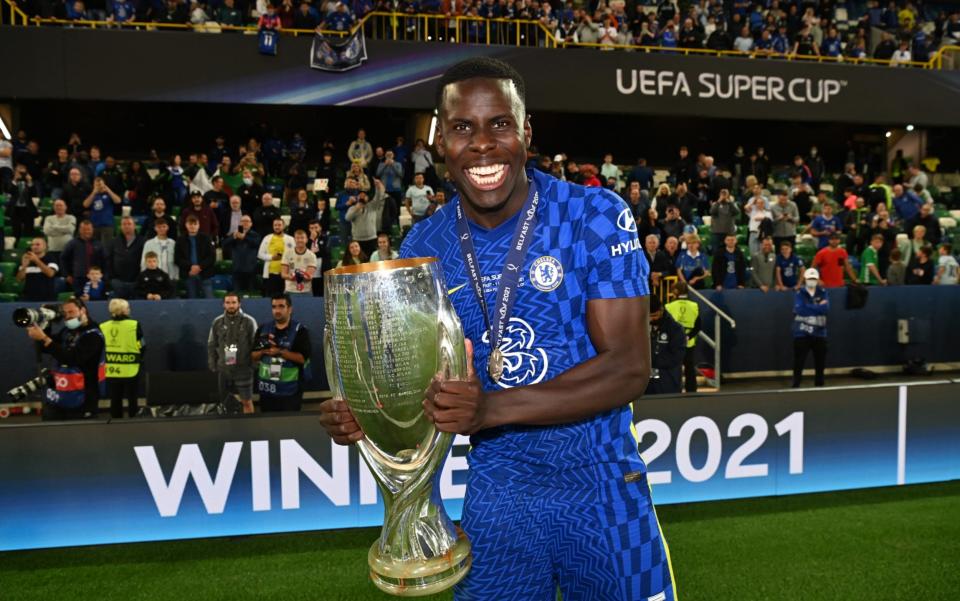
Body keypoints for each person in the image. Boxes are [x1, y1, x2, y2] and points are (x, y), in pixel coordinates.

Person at [320, 58, 675, 601]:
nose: (482, 144)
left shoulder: (594, 215)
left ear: (526, 132)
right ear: (440, 141)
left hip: (603, 492)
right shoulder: (424, 248)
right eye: (463, 128)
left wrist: (490, 409)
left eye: (500, 124)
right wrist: (370, 415)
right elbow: (421, 395)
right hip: (498, 501)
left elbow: (629, 367)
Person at [25, 297, 106, 420]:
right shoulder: (68, 331)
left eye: (71, 312)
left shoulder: (93, 335)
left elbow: (71, 358)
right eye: (64, 313)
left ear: (82, 310)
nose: (67, 316)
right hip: (60, 395)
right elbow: (47, 348)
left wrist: (44, 338)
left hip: (83, 399)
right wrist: (44, 326)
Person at [252, 294, 311, 412]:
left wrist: (279, 352)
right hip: (267, 391)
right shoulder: (263, 329)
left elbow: (302, 359)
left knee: (289, 426)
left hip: (289, 392)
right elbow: (253, 356)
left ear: (289, 309)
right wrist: (264, 351)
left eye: (281, 306)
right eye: (274, 307)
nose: (277, 310)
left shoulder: (300, 330)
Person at [208, 292, 259, 414]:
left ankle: (249, 428)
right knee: (224, 401)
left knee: (246, 401)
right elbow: (211, 344)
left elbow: (256, 345)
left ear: (239, 304)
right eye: (228, 302)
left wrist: (254, 366)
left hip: (244, 369)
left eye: (234, 302)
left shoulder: (249, 321)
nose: (231, 305)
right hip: (224, 369)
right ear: (223, 305)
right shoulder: (217, 322)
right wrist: (213, 364)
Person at [100, 298, 144, 419]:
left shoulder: (103, 326)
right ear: (124, 310)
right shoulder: (134, 324)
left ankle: (116, 423)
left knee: (115, 398)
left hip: (112, 369)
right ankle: (133, 421)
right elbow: (142, 344)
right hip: (131, 368)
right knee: (132, 398)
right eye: (128, 307)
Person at [792, 268, 829, 388]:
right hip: (802, 333)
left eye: (814, 279)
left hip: (819, 333)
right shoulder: (800, 293)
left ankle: (819, 384)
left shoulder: (823, 292)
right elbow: (799, 309)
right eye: (809, 279)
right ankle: (796, 383)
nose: (811, 281)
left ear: (817, 280)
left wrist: (809, 307)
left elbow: (826, 308)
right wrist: (817, 306)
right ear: (805, 280)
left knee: (820, 361)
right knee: (799, 361)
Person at [646, 294, 686, 396]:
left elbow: (677, 356)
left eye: (654, 315)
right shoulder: (641, 326)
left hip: (668, 382)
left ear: (661, 310)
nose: (651, 319)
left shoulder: (675, 329)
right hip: (646, 385)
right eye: (649, 316)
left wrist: (652, 361)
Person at [665, 281, 700, 393]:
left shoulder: (669, 306)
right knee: (689, 368)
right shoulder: (694, 306)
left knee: (675, 368)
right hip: (689, 341)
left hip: (674, 342)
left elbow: (667, 325)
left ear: (676, 291)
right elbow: (698, 325)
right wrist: (689, 336)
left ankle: (675, 389)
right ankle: (692, 391)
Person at [175, 215, 216, 298]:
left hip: (205, 274)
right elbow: (177, 259)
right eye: (190, 224)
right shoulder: (180, 240)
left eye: (195, 224)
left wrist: (199, 267)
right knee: (192, 301)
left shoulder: (206, 238)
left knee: (209, 300)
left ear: (198, 225)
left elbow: (212, 257)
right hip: (189, 275)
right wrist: (190, 267)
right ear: (186, 225)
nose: (192, 226)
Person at [107, 216, 145, 299]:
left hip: (136, 282)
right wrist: (112, 278)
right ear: (120, 226)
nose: (126, 226)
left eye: (129, 224)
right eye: (124, 224)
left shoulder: (143, 241)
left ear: (134, 225)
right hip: (118, 282)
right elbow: (109, 261)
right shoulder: (114, 241)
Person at [222, 214, 262, 293]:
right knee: (237, 293)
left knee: (251, 294)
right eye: (243, 221)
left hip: (251, 270)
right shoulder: (234, 235)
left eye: (247, 221)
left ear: (251, 224)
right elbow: (224, 244)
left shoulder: (255, 235)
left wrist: (244, 237)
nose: (245, 223)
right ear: (239, 223)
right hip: (237, 269)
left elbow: (257, 244)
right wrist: (233, 237)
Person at [347, 180, 387, 257]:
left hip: (371, 238)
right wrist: (356, 209)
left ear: (367, 197)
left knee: (373, 258)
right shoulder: (353, 208)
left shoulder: (372, 206)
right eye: (360, 195)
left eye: (364, 195)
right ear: (357, 197)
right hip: (358, 239)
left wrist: (378, 188)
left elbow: (378, 197)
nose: (362, 197)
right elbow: (347, 218)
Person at [257, 217, 294, 297]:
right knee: (271, 297)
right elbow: (260, 254)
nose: (277, 227)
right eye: (275, 225)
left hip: (286, 274)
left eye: (279, 225)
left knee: (285, 297)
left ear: (284, 226)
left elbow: (294, 255)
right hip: (271, 273)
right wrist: (271, 257)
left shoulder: (290, 239)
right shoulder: (267, 238)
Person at [16, 237, 59, 302]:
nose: (34, 247)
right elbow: (19, 279)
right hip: (28, 297)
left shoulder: (51, 258)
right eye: (32, 245)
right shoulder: (26, 258)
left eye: (37, 244)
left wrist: (36, 260)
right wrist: (24, 266)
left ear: (45, 247)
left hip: (47, 297)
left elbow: (50, 273)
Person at [83, 176, 122, 244]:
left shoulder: (109, 194)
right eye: (97, 185)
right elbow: (85, 205)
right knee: (95, 248)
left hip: (107, 226)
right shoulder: (92, 195)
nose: (99, 186)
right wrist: (93, 193)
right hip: (94, 226)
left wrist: (108, 190)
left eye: (100, 184)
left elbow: (118, 201)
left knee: (106, 248)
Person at [282, 230, 318, 295]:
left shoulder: (311, 255)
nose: (300, 240)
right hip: (289, 290)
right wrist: (292, 276)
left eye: (302, 238)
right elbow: (283, 274)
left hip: (306, 291)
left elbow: (309, 276)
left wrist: (300, 276)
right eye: (297, 238)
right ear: (294, 240)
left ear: (306, 239)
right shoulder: (287, 253)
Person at [708, 189, 740, 253]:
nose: (724, 196)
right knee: (716, 252)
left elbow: (737, 212)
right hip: (717, 233)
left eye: (725, 194)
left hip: (729, 233)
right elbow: (711, 212)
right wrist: (718, 201)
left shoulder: (732, 205)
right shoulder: (716, 204)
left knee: (730, 252)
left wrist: (730, 202)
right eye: (722, 194)